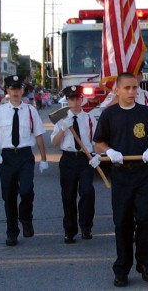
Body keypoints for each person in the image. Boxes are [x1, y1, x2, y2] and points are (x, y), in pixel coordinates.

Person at [93, 72, 148, 287]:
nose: (132, 92)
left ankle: (144, 262)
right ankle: (122, 267)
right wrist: (109, 150)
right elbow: (98, 142)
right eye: (127, 88)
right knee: (122, 222)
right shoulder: (109, 115)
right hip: (121, 174)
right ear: (117, 90)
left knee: (145, 219)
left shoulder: (145, 112)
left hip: (142, 173)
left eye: (135, 88)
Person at [0, 75, 48, 247]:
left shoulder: (30, 110)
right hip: (7, 157)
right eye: (12, 88)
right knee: (9, 196)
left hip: (25, 155)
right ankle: (12, 231)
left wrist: (43, 159)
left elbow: (39, 134)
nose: (16, 91)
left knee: (27, 190)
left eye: (18, 88)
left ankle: (26, 218)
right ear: (7, 90)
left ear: (22, 90)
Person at [51, 85, 99, 244]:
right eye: (71, 98)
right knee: (68, 195)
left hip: (86, 159)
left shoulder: (90, 119)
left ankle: (86, 227)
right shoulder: (61, 119)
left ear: (82, 99)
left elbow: (96, 141)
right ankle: (70, 231)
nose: (75, 101)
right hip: (68, 159)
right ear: (67, 100)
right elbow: (55, 143)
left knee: (87, 192)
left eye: (77, 98)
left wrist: (97, 155)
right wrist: (63, 129)